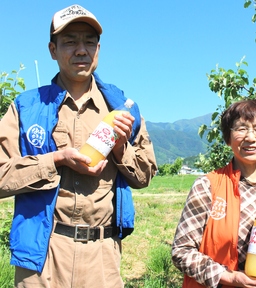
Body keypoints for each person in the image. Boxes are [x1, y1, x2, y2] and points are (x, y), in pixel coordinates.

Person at [0, 4, 157, 288]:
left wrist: (120, 148)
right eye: (70, 42)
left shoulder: (121, 109)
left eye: (89, 41)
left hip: (103, 259)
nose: (81, 50)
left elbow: (145, 176)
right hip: (42, 257)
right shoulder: (26, 107)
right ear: (52, 50)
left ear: (99, 49)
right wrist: (56, 160)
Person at [171, 99, 256, 288]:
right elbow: (181, 252)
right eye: (241, 129)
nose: (250, 137)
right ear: (228, 137)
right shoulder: (208, 186)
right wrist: (230, 278)